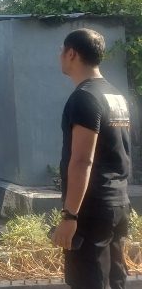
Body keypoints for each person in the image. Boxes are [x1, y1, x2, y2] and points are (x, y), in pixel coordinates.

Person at [52, 29, 131, 289]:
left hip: (91, 208)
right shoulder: (116, 96)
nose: (59, 56)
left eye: (61, 50)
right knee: (114, 280)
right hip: (117, 203)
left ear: (71, 53)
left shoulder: (84, 98)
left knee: (88, 281)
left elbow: (82, 160)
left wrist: (70, 216)